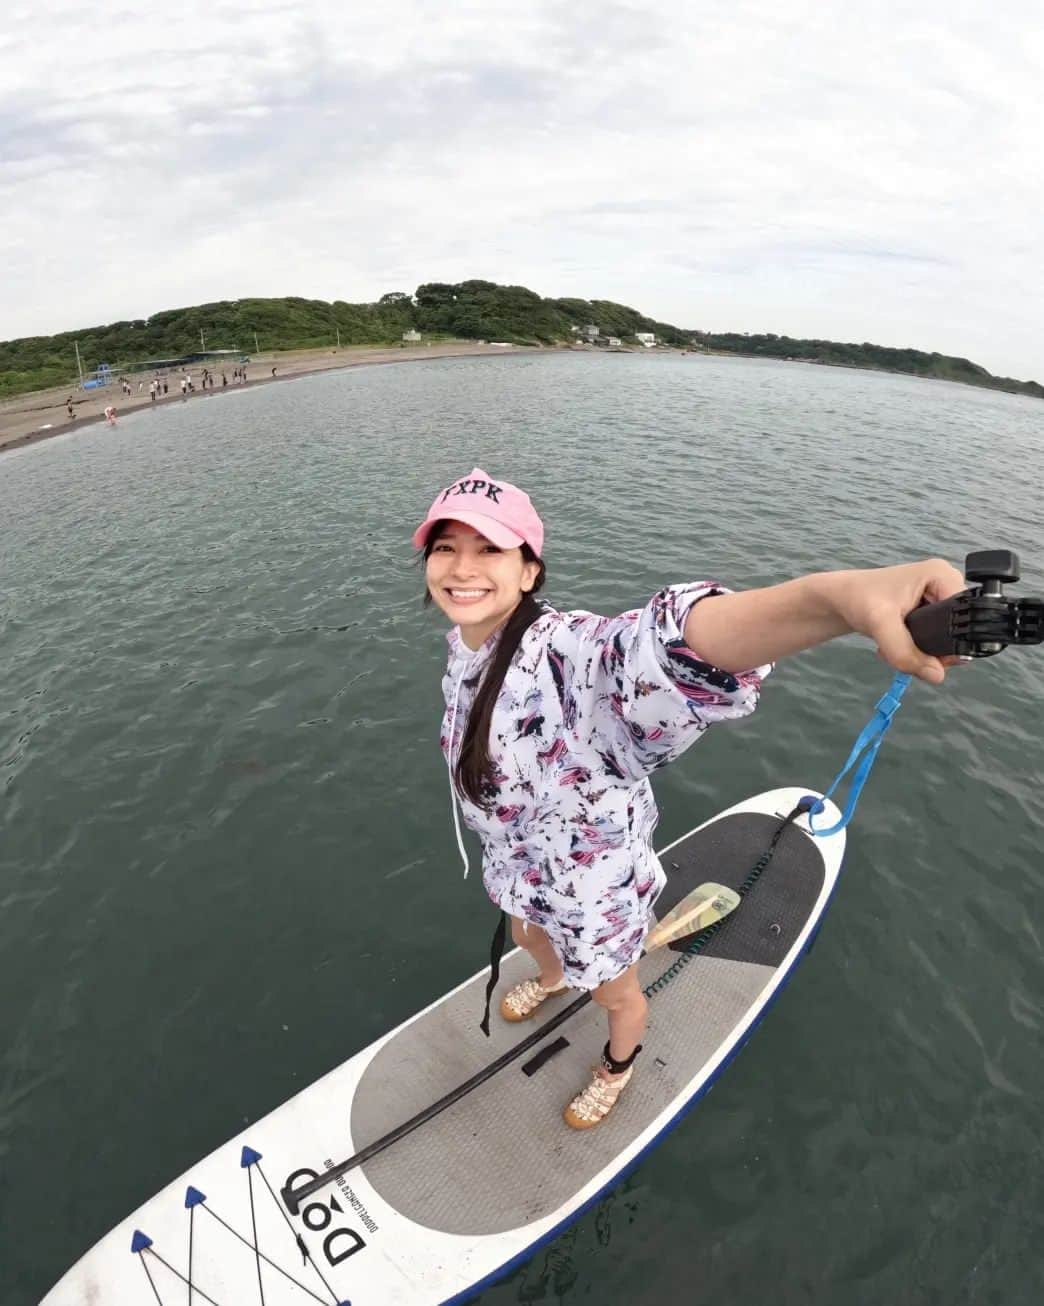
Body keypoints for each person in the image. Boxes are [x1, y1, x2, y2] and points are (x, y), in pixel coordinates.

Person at [413, 468, 965, 1131]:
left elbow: (661, 650)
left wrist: (837, 600)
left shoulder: (565, 655)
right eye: (446, 547)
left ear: (530, 572)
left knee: (614, 995)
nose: (462, 567)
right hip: (519, 865)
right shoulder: (468, 646)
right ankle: (551, 974)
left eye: (489, 549)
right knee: (528, 932)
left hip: (592, 886)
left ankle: (618, 1064)